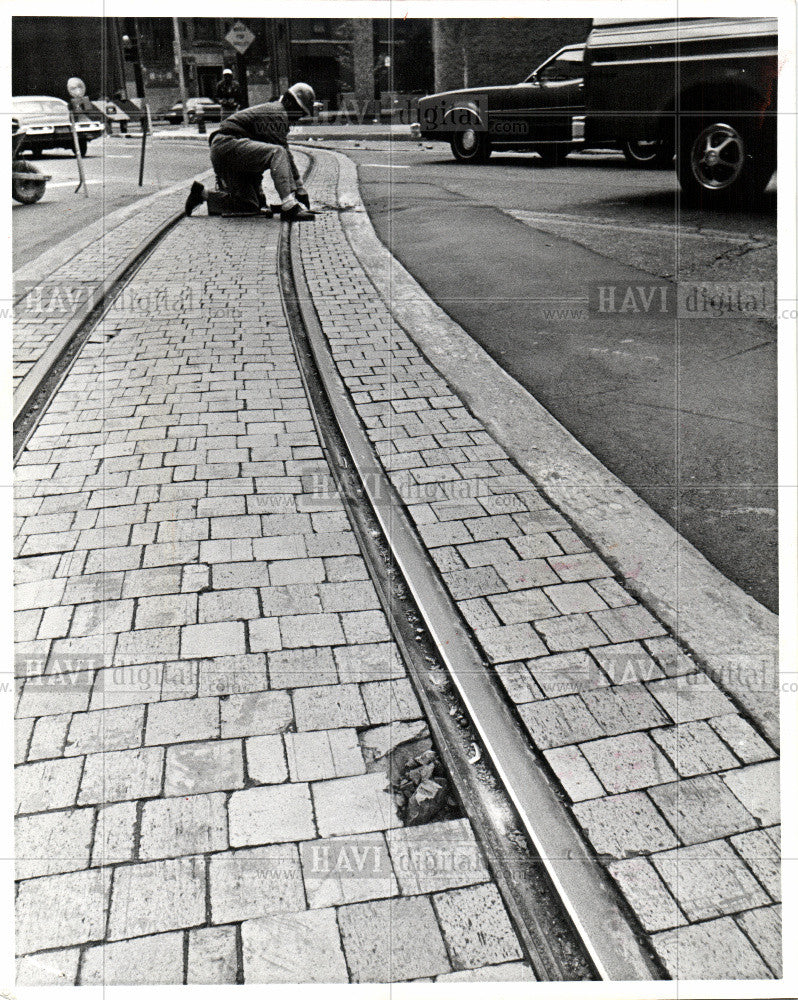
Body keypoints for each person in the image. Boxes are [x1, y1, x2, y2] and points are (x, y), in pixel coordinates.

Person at [185, 82, 316, 221]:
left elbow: (254, 155)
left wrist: (260, 192)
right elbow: (284, 154)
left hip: (228, 152)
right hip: (228, 145)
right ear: (290, 103)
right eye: (300, 112)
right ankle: (289, 207)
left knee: (249, 204)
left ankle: (202, 194)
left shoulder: (276, 112)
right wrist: (299, 189)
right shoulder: (277, 113)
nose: (299, 118)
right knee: (278, 152)